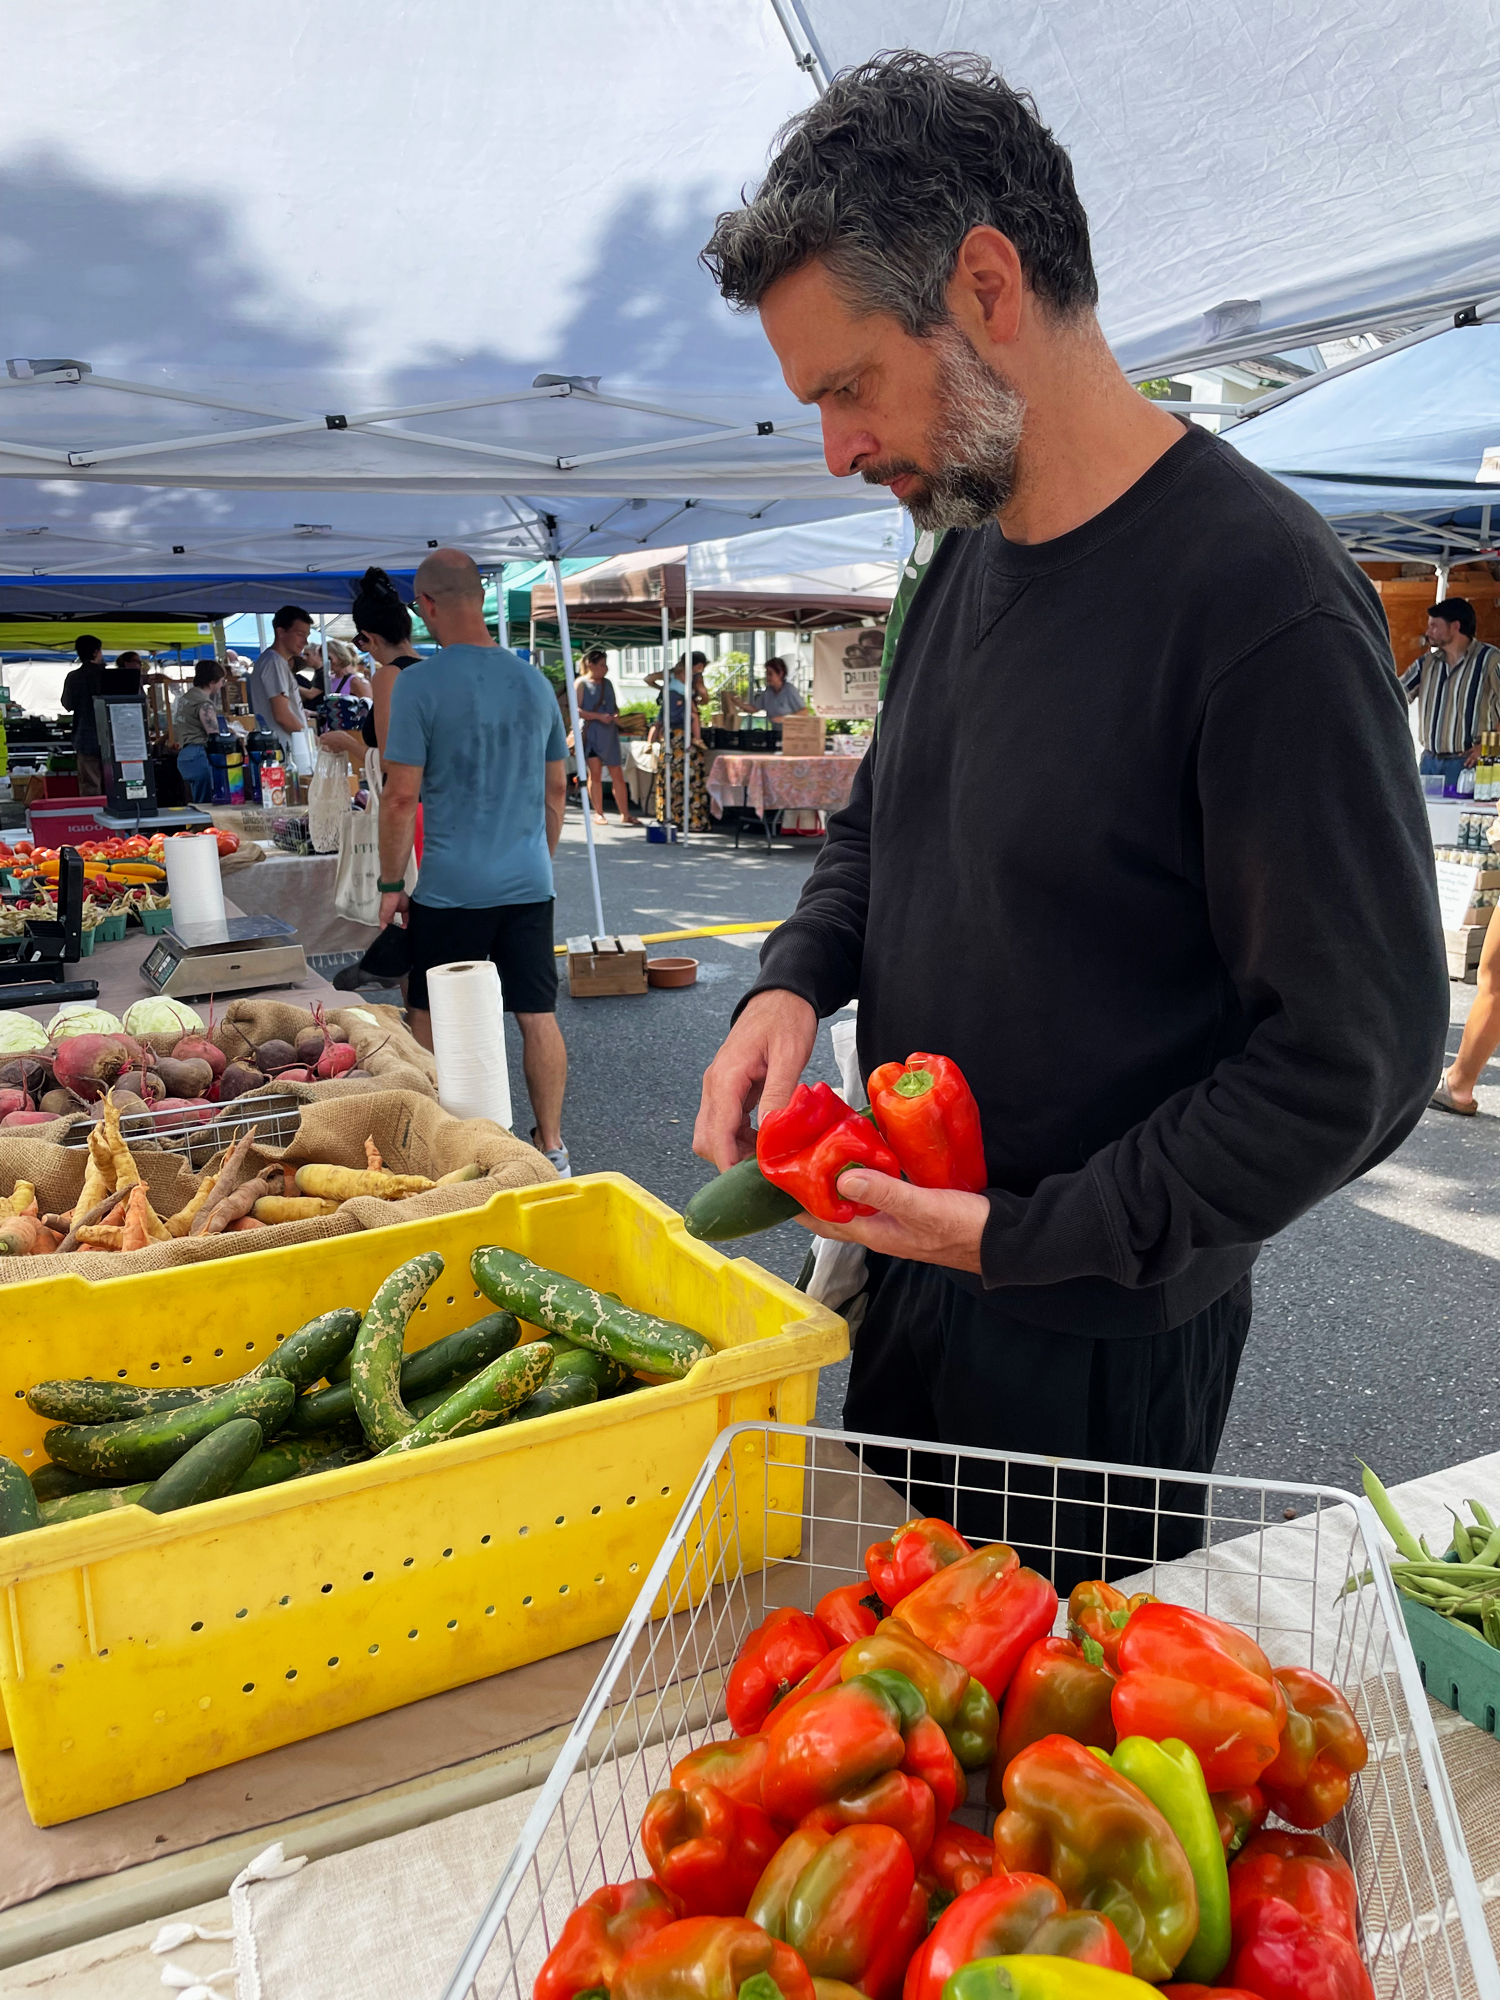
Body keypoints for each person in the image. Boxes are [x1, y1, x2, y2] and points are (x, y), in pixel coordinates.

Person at [693, 52, 1448, 1585]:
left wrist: (1024, 1237)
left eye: (847, 386)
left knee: (1025, 1769)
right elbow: (884, 821)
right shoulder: (964, 548)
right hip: (915, 1267)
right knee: (884, 1681)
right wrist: (792, 976)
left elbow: (1355, 1059)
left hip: (1095, 1338)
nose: (836, 447)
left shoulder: (1262, 604)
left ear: (984, 285)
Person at [377, 549, 572, 1175]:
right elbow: (557, 791)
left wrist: (388, 883)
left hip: (450, 887)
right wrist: (537, 859)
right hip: (527, 883)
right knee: (536, 1015)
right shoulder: (534, 681)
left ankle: (439, 1148)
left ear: (426, 605)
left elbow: (400, 795)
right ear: (481, 599)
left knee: (429, 1014)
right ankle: (554, 1147)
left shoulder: (418, 685)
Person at [1400, 597, 1500, 788]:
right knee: (1429, 817)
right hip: (1430, 763)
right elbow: (1395, 695)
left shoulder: (1489, 661)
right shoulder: (1427, 664)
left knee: (1465, 817)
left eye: (1434, 626)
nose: (1428, 632)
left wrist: (1488, 748)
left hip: (1471, 764)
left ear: (1455, 626)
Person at [61, 634, 141, 792]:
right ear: (96, 652)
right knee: (116, 784)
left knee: (90, 785)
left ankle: (93, 814)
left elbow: (67, 705)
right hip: (114, 738)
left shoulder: (73, 677)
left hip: (84, 738)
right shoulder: (112, 676)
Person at [572, 647, 641, 826]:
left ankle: (625, 813)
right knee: (594, 774)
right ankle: (599, 813)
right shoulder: (581, 683)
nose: (606, 668)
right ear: (590, 665)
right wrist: (598, 717)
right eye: (602, 665)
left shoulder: (608, 684)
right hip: (592, 733)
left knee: (617, 772)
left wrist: (616, 716)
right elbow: (576, 710)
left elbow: (613, 706)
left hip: (609, 733)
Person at [646, 653, 710, 831]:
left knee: (671, 776)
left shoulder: (671, 681)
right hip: (682, 734)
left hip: (671, 735)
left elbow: (648, 679)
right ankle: (690, 818)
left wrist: (661, 689)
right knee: (688, 777)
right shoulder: (691, 682)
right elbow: (703, 700)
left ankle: (670, 815)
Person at [250, 605, 314, 765]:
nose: (305, 641)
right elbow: (282, 715)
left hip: (283, 751)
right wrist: (311, 739)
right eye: (300, 634)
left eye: (306, 635)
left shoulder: (274, 661)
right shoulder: (274, 662)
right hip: (286, 754)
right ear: (280, 632)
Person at [172, 660, 231, 803]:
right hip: (199, 755)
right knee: (207, 806)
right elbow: (214, 735)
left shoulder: (185, 697)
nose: (222, 684)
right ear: (212, 681)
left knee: (196, 803)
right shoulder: (204, 703)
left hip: (185, 756)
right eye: (221, 681)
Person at [739, 656, 806, 725]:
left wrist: (784, 719)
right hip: (776, 732)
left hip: (791, 732)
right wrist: (738, 703)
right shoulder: (768, 692)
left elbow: (804, 712)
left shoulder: (789, 690)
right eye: (767, 674)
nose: (767, 677)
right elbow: (754, 709)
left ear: (780, 674)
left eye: (770, 674)